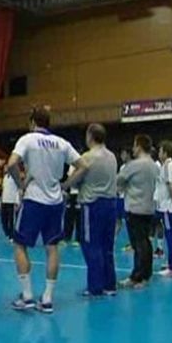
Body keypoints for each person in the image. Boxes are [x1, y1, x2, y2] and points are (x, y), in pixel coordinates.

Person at [6, 107, 86, 314]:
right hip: (55, 202)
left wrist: (21, 183)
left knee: (19, 245)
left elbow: (11, 163)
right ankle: (48, 298)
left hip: (33, 200)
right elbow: (83, 166)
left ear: (32, 122)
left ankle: (27, 296)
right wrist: (66, 185)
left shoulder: (28, 139)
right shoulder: (62, 143)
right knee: (52, 248)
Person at [63, 124, 117, 297]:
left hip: (92, 205)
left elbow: (77, 180)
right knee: (107, 246)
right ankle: (110, 285)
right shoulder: (112, 157)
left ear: (90, 136)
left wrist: (65, 185)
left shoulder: (86, 157)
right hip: (110, 204)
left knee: (91, 244)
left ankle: (95, 286)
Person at [116, 134, 159, 289]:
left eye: (134, 145)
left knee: (139, 244)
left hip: (135, 208)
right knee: (145, 242)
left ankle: (139, 276)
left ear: (139, 146)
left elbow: (118, 181)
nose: (133, 149)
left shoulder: (134, 165)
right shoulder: (154, 165)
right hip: (149, 208)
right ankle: (143, 275)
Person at [156, 141, 172, 278]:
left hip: (170, 208)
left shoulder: (167, 166)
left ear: (165, 153)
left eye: (160, 151)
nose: (159, 154)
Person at [117, 149, 132, 251]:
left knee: (129, 222)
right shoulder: (122, 167)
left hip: (129, 198)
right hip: (120, 197)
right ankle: (111, 241)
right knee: (117, 220)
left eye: (123, 153)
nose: (122, 156)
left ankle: (132, 243)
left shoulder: (133, 167)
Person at [63, 165, 82, 246]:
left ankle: (79, 238)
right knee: (68, 216)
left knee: (79, 217)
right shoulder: (70, 166)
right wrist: (66, 191)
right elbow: (68, 179)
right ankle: (66, 237)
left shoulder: (81, 167)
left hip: (79, 193)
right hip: (71, 194)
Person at [0, 171, 20, 241]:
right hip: (4, 201)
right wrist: (0, 201)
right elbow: (3, 189)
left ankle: (12, 235)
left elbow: (18, 190)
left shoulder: (15, 177)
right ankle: (7, 233)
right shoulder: (5, 177)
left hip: (11, 201)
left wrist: (17, 202)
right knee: (3, 219)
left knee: (11, 220)